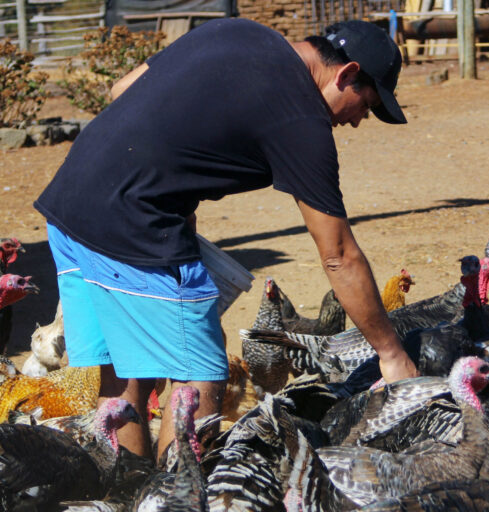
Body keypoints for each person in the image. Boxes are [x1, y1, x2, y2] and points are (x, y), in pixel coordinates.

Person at [34, 18, 419, 460]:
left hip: (70, 202)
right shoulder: (301, 117)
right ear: (347, 74)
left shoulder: (235, 31)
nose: (356, 121)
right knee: (199, 378)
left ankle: (125, 489)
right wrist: (392, 355)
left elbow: (122, 89)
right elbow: (339, 255)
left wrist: (173, 185)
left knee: (125, 373)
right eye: (365, 105)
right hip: (131, 226)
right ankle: (177, 492)